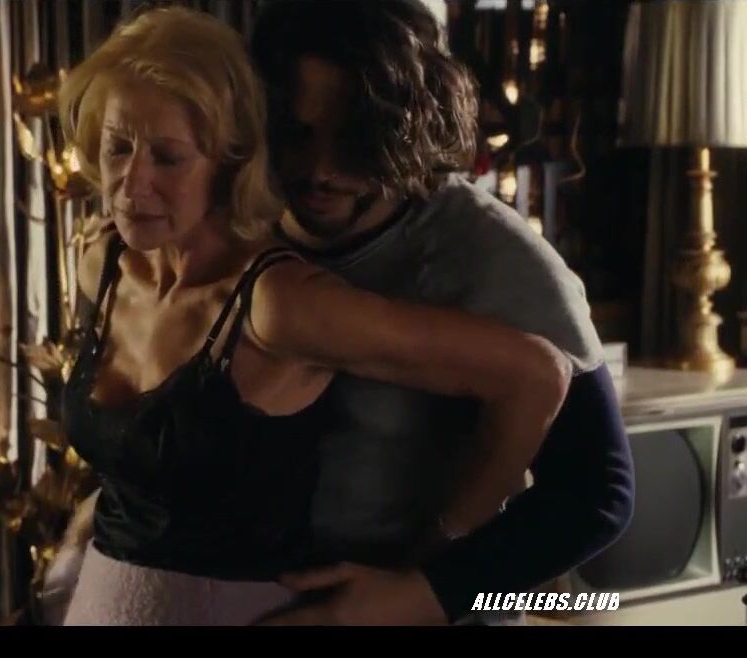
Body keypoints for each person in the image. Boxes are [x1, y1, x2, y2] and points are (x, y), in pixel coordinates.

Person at [51, 5, 571, 626]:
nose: (131, 184)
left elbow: (542, 384)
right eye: (117, 147)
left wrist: (434, 564)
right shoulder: (103, 262)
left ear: (232, 161)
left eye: (168, 157)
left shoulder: (281, 301)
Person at [245, 0, 636, 626]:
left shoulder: (491, 254)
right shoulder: (238, 225)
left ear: (406, 126)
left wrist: (425, 591)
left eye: (354, 138)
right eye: (296, 134)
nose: (319, 171)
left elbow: (596, 496)